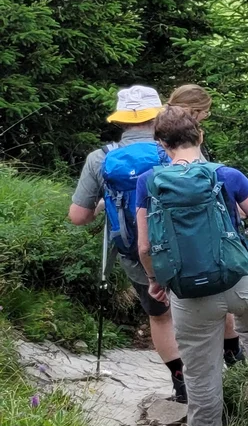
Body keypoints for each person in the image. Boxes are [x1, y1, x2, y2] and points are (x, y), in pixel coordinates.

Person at [133, 108, 248, 426]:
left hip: (191, 292)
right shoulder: (228, 175)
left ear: (161, 144)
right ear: (200, 135)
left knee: (200, 365)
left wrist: (155, 281)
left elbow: (144, 247)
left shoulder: (148, 182)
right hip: (247, 278)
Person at [67, 86, 185, 401]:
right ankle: (215, 376)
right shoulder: (176, 149)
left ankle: (181, 381)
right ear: (158, 115)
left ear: (121, 120)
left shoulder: (101, 158)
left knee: (160, 315)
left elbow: (78, 216)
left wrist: (107, 202)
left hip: (136, 255)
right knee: (195, 308)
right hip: (186, 248)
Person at [164, 82, 244, 366]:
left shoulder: (161, 133)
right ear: (194, 111)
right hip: (194, 232)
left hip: (165, 236)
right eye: (204, 113)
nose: (204, 119)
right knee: (213, 293)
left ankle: (190, 374)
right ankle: (229, 358)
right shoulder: (180, 138)